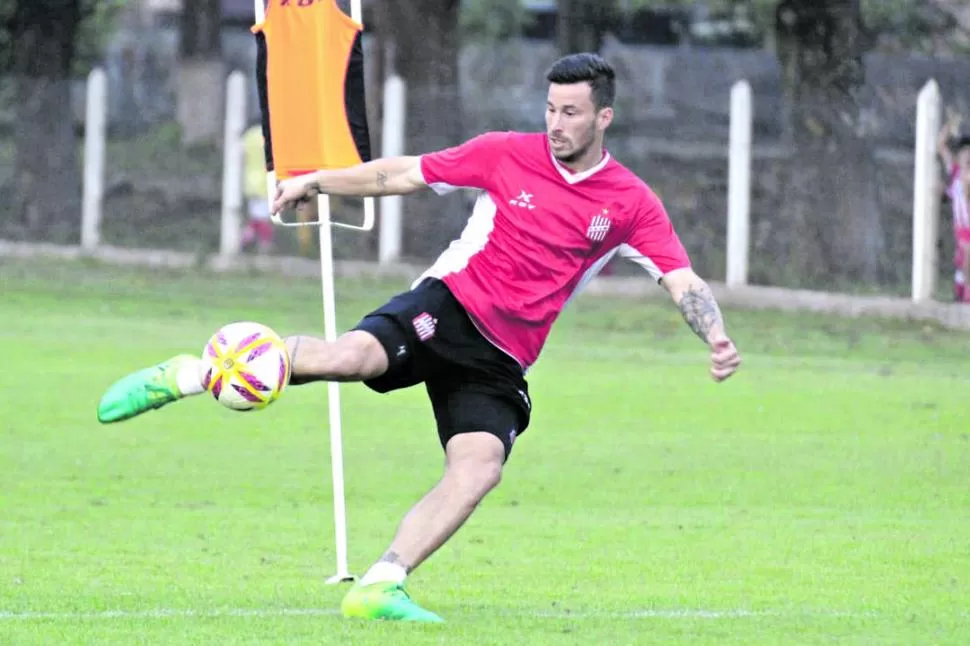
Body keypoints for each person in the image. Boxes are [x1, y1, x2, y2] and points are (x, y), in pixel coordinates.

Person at [96, 53, 742, 623]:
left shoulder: (629, 201)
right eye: (550, 107)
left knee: (478, 467)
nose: (556, 123)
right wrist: (318, 180)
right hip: (450, 305)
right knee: (349, 357)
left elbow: (678, 276)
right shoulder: (504, 153)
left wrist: (714, 336)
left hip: (503, 357)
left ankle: (381, 584)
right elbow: (401, 174)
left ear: (603, 118)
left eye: (571, 112)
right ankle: (188, 374)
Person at [936, 108, 970, 303]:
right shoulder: (955, 172)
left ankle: (963, 290)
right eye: (964, 154)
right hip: (963, 228)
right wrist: (949, 126)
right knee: (965, 254)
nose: (967, 157)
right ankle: (964, 292)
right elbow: (941, 146)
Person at [240, 122, 275, 253]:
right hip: (264, 183)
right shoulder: (268, 135)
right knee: (264, 218)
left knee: (257, 216)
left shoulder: (248, 136)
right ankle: (260, 245)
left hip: (250, 181)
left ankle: (246, 240)